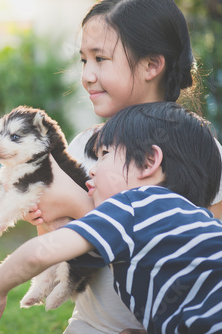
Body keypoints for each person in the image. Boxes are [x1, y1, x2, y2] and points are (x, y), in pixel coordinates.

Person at [23, 0, 222, 332]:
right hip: (91, 324)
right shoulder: (84, 149)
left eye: (100, 59)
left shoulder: (206, 153)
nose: (87, 75)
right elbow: (66, 257)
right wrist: (46, 220)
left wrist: (76, 204)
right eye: (84, 59)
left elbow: (210, 259)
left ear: (151, 65)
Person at [0, 102, 222, 334]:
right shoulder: (195, 217)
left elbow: (40, 253)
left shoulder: (133, 205)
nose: (92, 169)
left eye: (104, 155)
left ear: (148, 162)